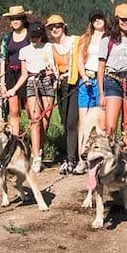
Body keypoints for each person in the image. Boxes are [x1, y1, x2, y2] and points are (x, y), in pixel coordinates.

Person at [7, 21, 55, 172]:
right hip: (31, 82)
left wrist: (52, 73)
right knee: (35, 121)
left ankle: (39, 148)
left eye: (37, 36)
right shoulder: (24, 51)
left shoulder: (49, 47)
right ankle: (36, 157)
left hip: (46, 81)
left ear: (42, 36)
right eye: (32, 36)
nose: (34, 39)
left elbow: (54, 67)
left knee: (45, 120)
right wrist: (13, 89)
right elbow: (24, 74)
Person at [98, 3, 127, 150]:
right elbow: (101, 67)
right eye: (123, 19)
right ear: (117, 20)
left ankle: (126, 162)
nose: (126, 22)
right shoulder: (107, 40)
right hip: (112, 82)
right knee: (110, 128)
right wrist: (101, 94)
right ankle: (109, 162)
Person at [46, 14, 81, 175]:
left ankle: (72, 159)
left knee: (72, 122)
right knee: (64, 121)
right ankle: (72, 155)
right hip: (60, 86)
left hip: (75, 83)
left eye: (57, 26)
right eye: (52, 27)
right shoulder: (50, 48)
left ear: (64, 26)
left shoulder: (75, 41)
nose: (55, 29)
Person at [77, 9, 108, 159]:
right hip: (87, 80)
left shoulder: (109, 38)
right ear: (91, 22)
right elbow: (79, 61)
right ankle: (81, 156)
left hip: (103, 81)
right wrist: (83, 76)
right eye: (94, 19)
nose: (97, 21)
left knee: (101, 122)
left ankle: (98, 155)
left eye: (100, 18)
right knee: (84, 122)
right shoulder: (85, 38)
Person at [0, 5, 32, 136]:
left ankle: (33, 138)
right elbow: (3, 59)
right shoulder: (7, 38)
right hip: (11, 75)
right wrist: (2, 83)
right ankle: (15, 139)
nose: (15, 21)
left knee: (30, 109)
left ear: (23, 19)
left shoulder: (30, 36)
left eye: (18, 18)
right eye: (12, 19)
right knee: (14, 111)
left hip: (28, 75)